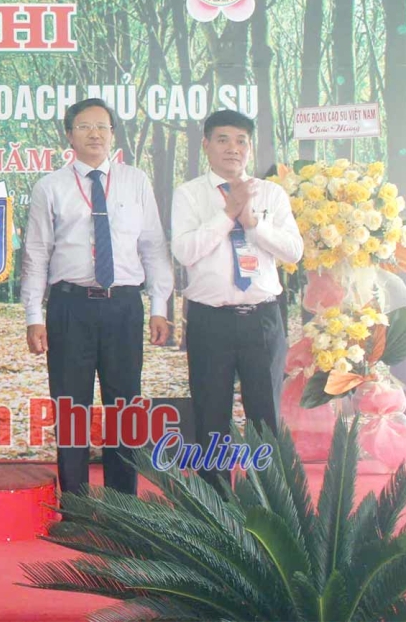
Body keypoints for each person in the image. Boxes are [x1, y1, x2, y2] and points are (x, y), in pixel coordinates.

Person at [21, 98, 173, 497]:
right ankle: (75, 503)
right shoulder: (50, 187)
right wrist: (33, 315)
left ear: (113, 135)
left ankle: (123, 506)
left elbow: (153, 247)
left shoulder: (135, 181)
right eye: (85, 126)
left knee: (124, 406)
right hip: (70, 306)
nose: (94, 134)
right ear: (69, 135)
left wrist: (159, 306)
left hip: (123, 305)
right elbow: (36, 254)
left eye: (102, 127)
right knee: (71, 407)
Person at [171, 109, 303, 486]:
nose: (233, 148)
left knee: (267, 416)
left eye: (241, 141)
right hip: (210, 320)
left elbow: (293, 251)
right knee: (211, 416)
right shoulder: (190, 194)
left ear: (250, 147)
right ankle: (216, 507)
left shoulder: (271, 193)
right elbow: (184, 251)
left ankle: (272, 504)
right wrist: (228, 213)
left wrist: (254, 224)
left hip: (262, 319)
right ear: (206, 145)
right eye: (223, 140)